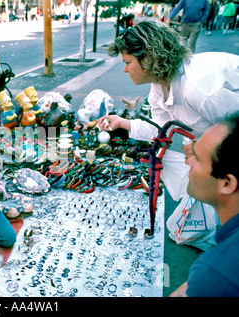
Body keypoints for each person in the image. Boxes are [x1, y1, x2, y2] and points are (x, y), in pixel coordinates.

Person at [99, 20, 239, 249]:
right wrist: (122, 122)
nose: (125, 69)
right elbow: (159, 129)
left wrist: (197, 148)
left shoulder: (200, 89)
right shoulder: (159, 85)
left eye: (127, 63)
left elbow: (234, 134)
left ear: (148, 59)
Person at [170, 112, 239, 297]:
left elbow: (217, 276)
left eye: (198, 159)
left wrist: (206, 276)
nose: (189, 162)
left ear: (227, 183)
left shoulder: (216, 271)